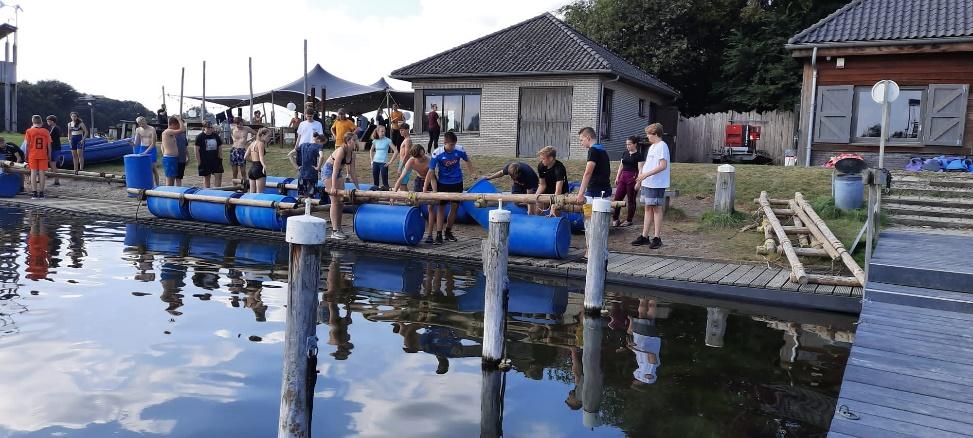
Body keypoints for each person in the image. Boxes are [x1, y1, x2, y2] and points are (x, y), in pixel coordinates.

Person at [425, 131, 476, 244]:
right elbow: (431, 170)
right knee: (441, 208)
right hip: (443, 183)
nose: (453, 147)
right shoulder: (437, 153)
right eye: (451, 145)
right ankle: (438, 234)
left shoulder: (460, 149)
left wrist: (472, 173)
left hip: (457, 182)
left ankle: (448, 232)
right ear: (445, 143)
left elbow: (468, 160)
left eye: (454, 144)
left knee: (455, 207)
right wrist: (425, 187)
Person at [633, 123, 670, 249]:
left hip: (656, 183)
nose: (647, 136)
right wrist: (640, 179)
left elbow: (662, 165)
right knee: (648, 208)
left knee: (656, 208)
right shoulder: (652, 147)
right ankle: (644, 236)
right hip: (647, 182)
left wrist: (646, 175)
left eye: (649, 134)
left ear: (655, 134)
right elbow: (647, 165)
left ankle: (657, 237)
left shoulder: (662, 146)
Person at [393, 142, 436, 243]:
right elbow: (401, 178)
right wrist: (393, 194)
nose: (420, 160)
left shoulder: (429, 160)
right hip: (419, 181)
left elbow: (433, 179)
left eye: (422, 157)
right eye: (418, 158)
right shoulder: (411, 161)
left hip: (430, 181)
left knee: (430, 207)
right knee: (414, 205)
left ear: (424, 153)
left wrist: (434, 192)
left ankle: (430, 235)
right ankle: (414, 230)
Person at [322, 132, 360, 240]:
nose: (356, 142)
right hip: (329, 172)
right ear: (348, 141)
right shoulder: (341, 151)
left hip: (338, 173)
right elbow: (334, 170)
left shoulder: (352, 153)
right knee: (334, 200)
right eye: (354, 140)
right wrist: (333, 187)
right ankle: (334, 231)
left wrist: (358, 187)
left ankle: (339, 228)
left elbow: (352, 172)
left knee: (341, 201)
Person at [627, 298, 661, 387]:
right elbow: (652, 356)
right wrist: (636, 349)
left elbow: (642, 355)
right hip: (648, 339)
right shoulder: (647, 374)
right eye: (634, 383)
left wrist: (633, 349)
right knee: (644, 316)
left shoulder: (641, 369)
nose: (633, 381)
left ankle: (649, 298)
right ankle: (648, 298)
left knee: (647, 317)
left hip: (646, 339)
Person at [613, 136, 645, 227]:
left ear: (635, 144)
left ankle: (629, 220)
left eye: (629, 144)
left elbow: (640, 170)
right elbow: (621, 166)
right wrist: (617, 177)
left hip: (632, 178)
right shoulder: (624, 153)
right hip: (623, 177)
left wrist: (639, 182)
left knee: (631, 200)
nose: (627, 146)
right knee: (617, 198)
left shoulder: (639, 155)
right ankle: (615, 219)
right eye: (626, 144)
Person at [575, 127, 612, 202]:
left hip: (595, 192)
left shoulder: (593, 150)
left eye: (581, 140)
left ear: (588, 138)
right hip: (605, 189)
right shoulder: (602, 150)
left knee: (590, 213)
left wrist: (580, 193)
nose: (581, 143)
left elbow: (588, 173)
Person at [288, 131, 324, 198]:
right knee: (310, 196)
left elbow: (290, 155)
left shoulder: (303, 145)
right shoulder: (318, 146)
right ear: (319, 140)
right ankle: (309, 208)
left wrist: (296, 167)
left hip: (301, 174)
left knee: (301, 196)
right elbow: (321, 157)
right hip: (312, 175)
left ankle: (301, 207)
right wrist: (318, 168)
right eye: (323, 143)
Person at [24, 115, 52, 199]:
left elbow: (27, 145)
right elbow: (49, 145)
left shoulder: (29, 131)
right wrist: (49, 154)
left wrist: (26, 155)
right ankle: (42, 193)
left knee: (33, 173)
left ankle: (34, 193)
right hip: (43, 154)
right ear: (41, 122)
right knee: (42, 173)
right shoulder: (46, 131)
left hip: (32, 154)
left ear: (33, 122)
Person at [536, 146, 568, 216]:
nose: (541, 161)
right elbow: (542, 185)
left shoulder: (559, 168)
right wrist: (535, 197)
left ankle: (556, 221)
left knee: (555, 209)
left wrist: (553, 206)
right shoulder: (541, 166)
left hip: (560, 192)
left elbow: (558, 190)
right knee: (537, 206)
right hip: (548, 189)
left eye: (543, 159)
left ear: (550, 158)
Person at [194, 121, 224, 188]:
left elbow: (220, 147)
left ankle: (217, 192)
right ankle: (207, 193)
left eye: (211, 127)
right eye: (208, 127)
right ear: (204, 128)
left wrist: (220, 157)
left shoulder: (215, 136)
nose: (210, 129)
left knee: (219, 175)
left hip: (216, 160)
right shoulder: (200, 137)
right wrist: (199, 161)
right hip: (205, 160)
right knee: (207, 177)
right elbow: (196, 150)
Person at [160, 116, 186, 186]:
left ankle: (171, 193)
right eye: (177, 125)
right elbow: (182, 129)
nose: (178, 127)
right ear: (173, 124)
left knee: (173, 178)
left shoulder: (171, 132)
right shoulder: (168, 131)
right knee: (169, 179)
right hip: (169, 158)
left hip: (173, 158)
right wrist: (179, 119)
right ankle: (168, 194)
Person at [134, 116, 160, 186]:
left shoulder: (152, 129)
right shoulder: (138, 130)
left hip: (151, 149)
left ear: (145, 121)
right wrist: (132, 144)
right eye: (139, 123)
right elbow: (136, 143)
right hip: (142, 148)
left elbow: (153, 143)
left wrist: (146, 152)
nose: (141, 124)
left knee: (153, 169)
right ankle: (146, 185)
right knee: (143, 168)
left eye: (142, 122)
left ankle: (157, 185)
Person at [230, 117, 256, 182]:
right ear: (235, 124)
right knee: (234, 171)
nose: (240, 126)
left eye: (241, 124)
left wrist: (251, 140)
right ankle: (234, 186)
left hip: (241, 150)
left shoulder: (246, 128)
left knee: (243, 170)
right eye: (238, 124)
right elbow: (231, 135)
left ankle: (244, 186)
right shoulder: (233, 128)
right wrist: (233, 139)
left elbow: (257, 133)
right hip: (233, 150)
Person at [246, 127, 270, 194]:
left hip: (252, 169)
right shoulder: (261, 143)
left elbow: (245, 156)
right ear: (262, 135)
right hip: (259, 168)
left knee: (252, 193)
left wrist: (253, 161)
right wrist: (264, 165)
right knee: (260, 193)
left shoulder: (253, 143)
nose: (269, 138)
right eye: (268, 136)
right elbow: (261, 157)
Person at [394, 123, 413, 191]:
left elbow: (407, 155)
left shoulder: (408, 140)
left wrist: (401, 166)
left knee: (403, 184)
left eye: (402, 130)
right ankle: (407, 200)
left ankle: (408, 200)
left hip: (405, 163)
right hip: (402, 162)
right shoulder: (405, 140)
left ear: (407, 130)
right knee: (402, 184)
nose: (400, 132)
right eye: (400, 130)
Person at [45, 115, 62, 187]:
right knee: (51, 164)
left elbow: (52, 138)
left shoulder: (56, 128)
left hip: (55, 148)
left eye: (48, 121)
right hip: (53, 148)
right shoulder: (51, 128)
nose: (47, 122)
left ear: (52, 121)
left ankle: (57, 180)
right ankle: (53, 177)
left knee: (53, 164)